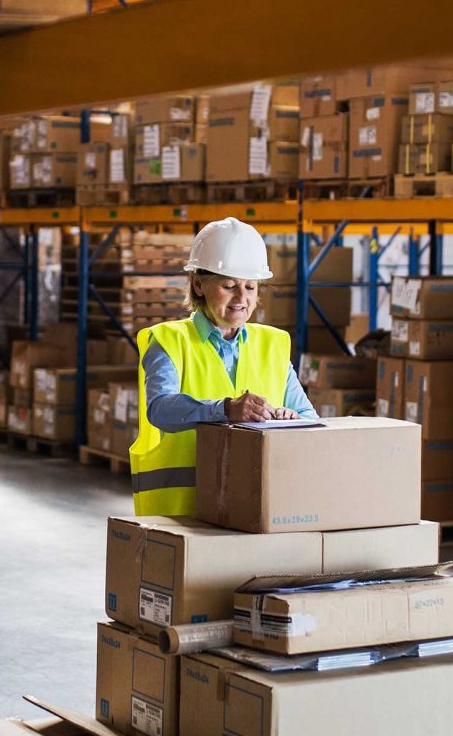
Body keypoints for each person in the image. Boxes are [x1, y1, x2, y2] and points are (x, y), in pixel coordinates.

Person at [130, 217, 317, 517]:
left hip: (252, 512)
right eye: (229, 286)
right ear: (198, 284)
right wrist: (224, 409)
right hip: (181, 517)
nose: (242, 298)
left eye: (251, 287)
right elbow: (160, 409)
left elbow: (310, 418)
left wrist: (290, 419)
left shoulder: (273, 344)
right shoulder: (169, 341)